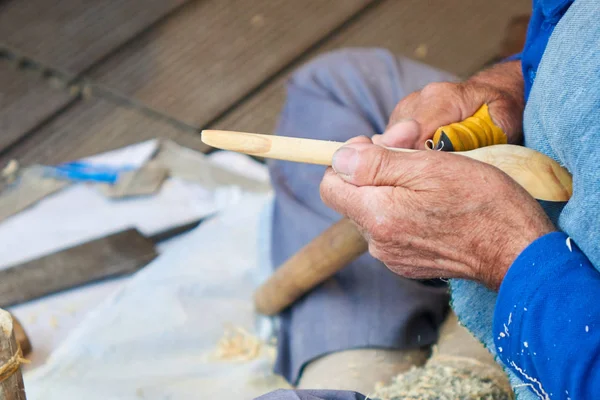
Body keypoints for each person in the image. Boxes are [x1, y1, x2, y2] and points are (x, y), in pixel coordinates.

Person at [260, 0, 600, 398]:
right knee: (335, 83)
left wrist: (504, 254)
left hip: (569, 331)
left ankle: (450, 375)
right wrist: (516, 83)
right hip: (544, 170)